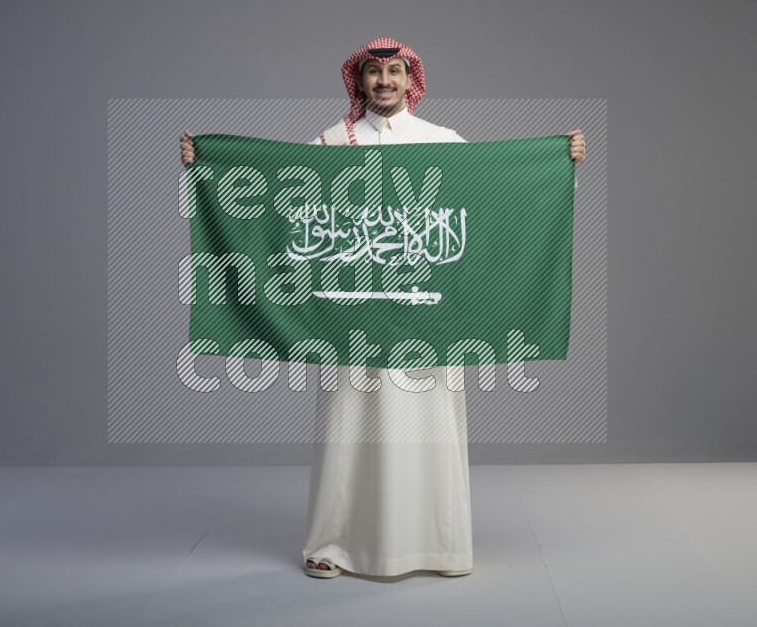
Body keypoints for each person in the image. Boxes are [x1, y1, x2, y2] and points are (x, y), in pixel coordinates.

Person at [180, 37, 586, 579]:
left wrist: (561, 166)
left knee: (430, 428)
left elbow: (498, 198)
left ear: (410, 79)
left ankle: (438, 547)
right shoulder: (330, 144)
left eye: (395, 71)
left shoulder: (443, 142)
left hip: (428, 319)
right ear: (359, 82)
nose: (385, 81)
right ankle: (332, 545)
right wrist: (207, 166)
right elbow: (278, 202)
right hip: (351, 322)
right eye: (374, 72)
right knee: (347, 430)